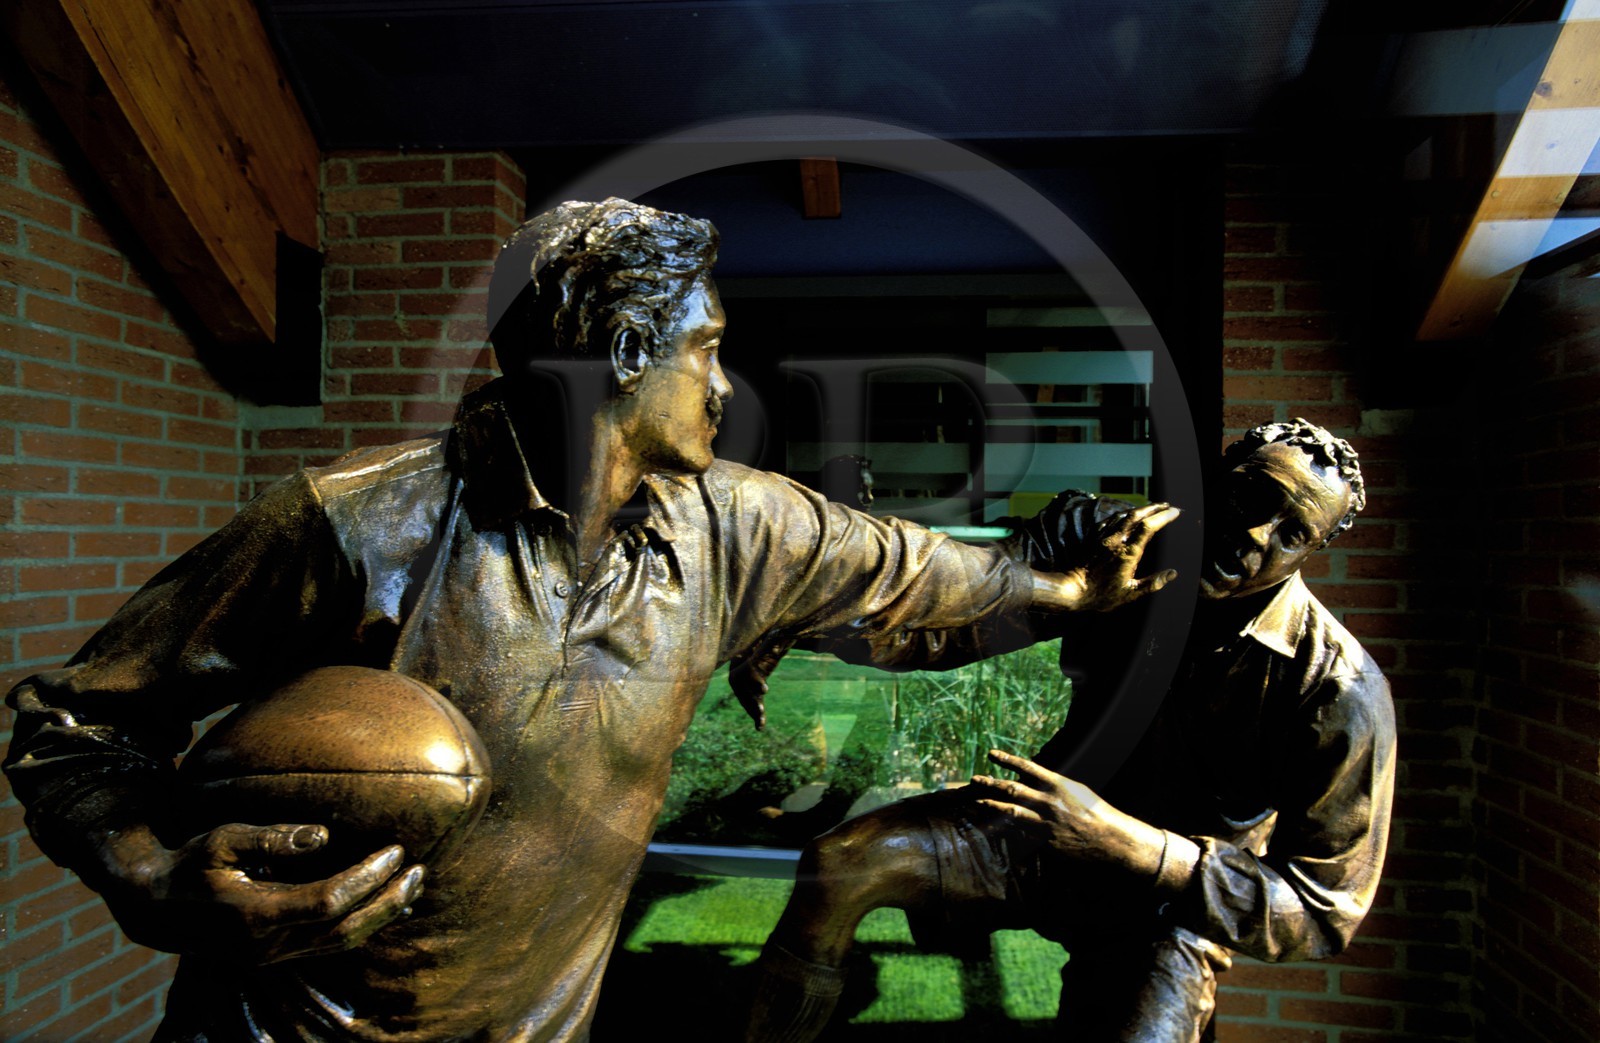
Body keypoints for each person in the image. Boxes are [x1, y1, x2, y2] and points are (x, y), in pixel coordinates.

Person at [4, 198, 1181, 1043]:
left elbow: (919, 568)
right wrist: (153, 873)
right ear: (625, 355)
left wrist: (1056, 585)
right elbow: (69, 725)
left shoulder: (732, 528)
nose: (726, 385)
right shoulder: (360, 527)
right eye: (707, 348)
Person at [744, 418, 1396, 1043]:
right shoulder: (1111, 539)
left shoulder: (1336, 690)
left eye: (1292, 532)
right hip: (1042, 828)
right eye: (1255, 496)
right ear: (1221, 473)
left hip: (1167, 907)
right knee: (840, 864)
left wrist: (1128, 843)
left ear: (1315, 548)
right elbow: (948, 621)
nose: (1257, 534)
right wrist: (810, 619)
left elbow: (1319, 910)